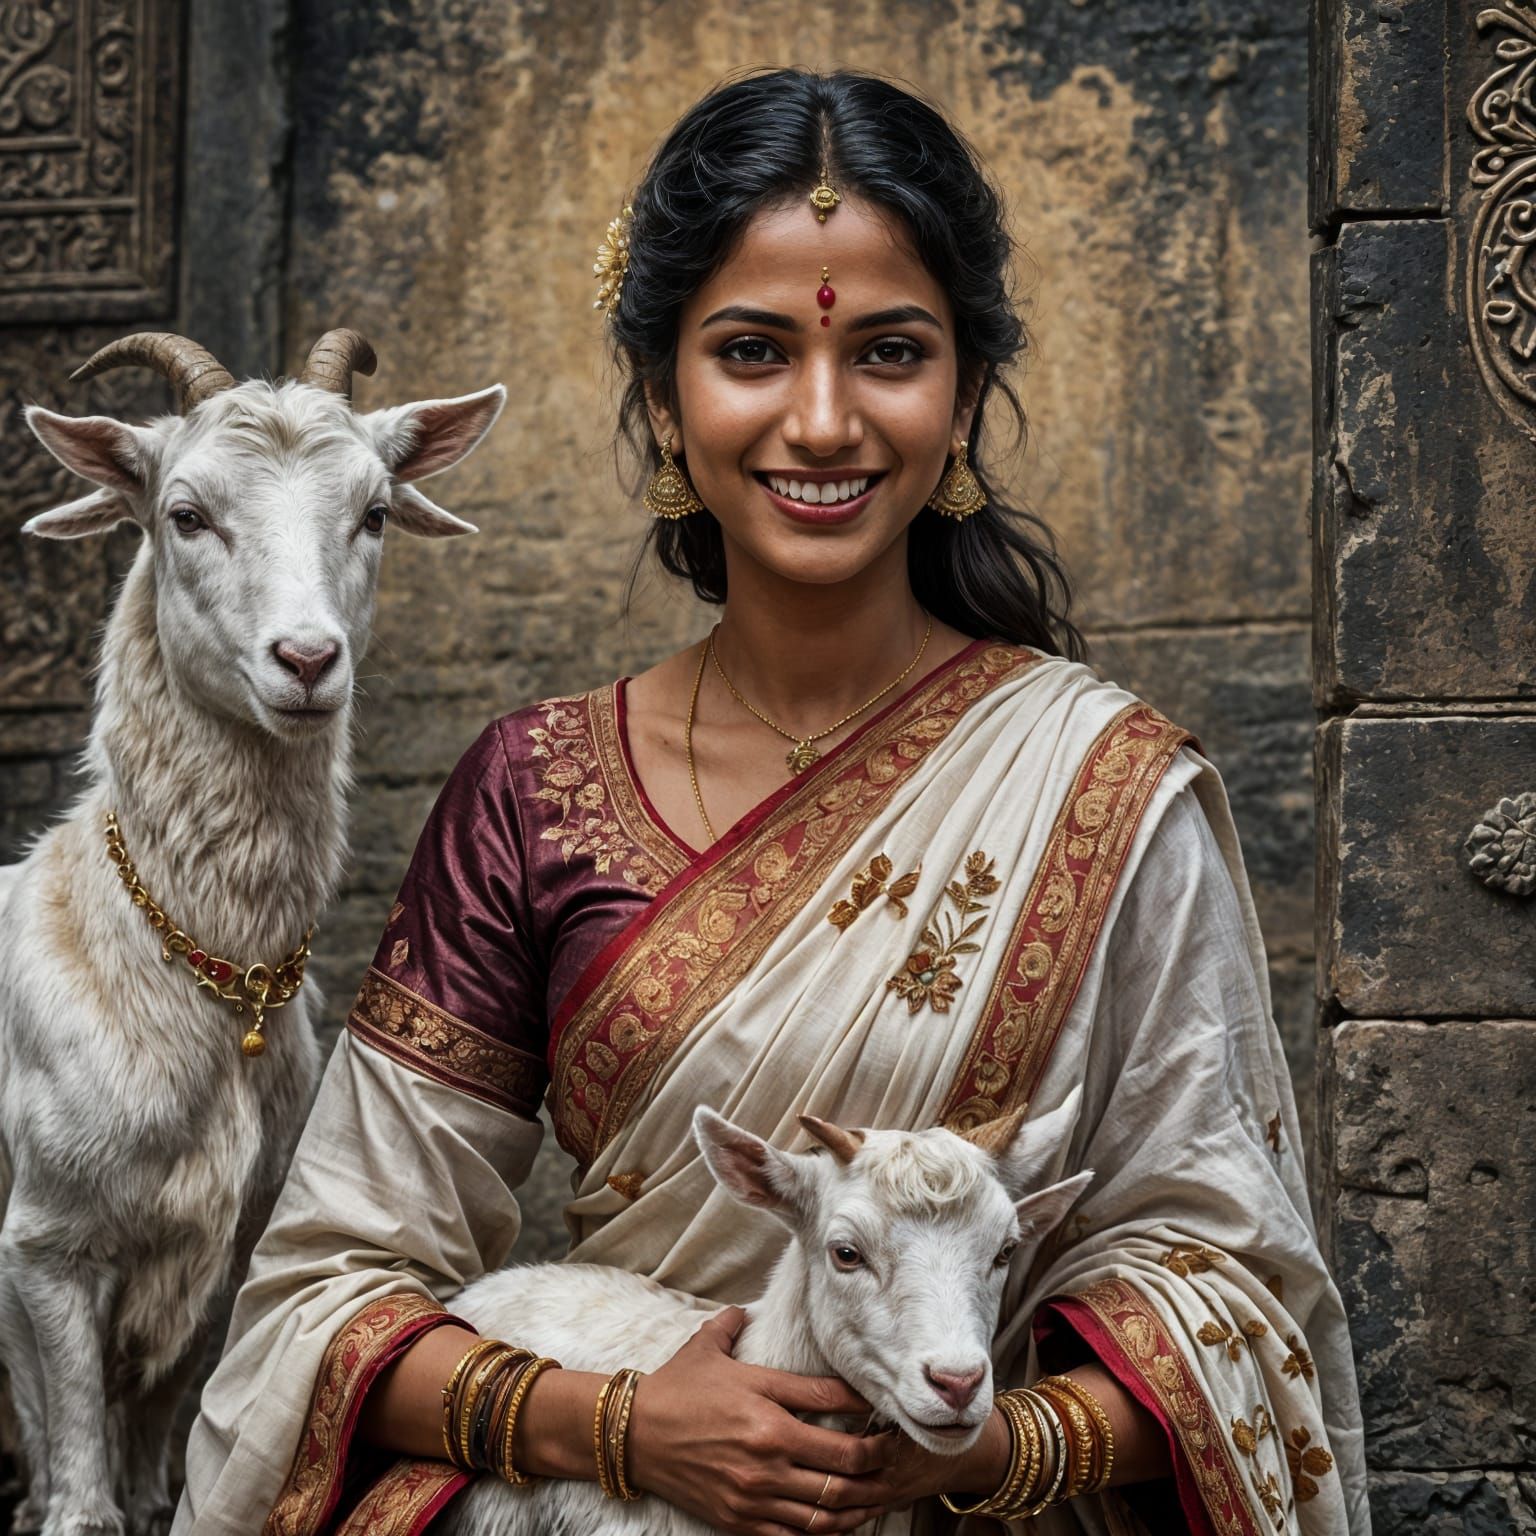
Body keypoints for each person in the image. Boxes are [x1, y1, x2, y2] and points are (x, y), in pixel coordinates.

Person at [174, 66, 1369, 1536]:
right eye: (751, 351)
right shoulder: (531, 792)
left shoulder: (1104, 787)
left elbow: (1236, 1311)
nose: (820, 420)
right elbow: (326, 1297)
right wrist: (622, 1421)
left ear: (963, 393)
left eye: (889, 352)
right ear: (664, 396)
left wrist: (988, 1450)